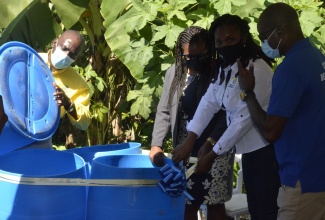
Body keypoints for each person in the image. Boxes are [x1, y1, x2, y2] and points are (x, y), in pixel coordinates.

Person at [172, 14, 281, 220]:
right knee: (256, 209)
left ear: (244, 38)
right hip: (248, 153)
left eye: (230, 40)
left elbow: (242, 120)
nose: (224, 46)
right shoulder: (228, 69)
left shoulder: (257, 69)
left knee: (266, 212)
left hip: (265, 154)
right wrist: (190, 139)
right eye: (219, 42)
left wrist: (213, 153)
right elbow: (209, 103)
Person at [238, 3, 325, 220]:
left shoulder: (291, 68)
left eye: (264, 36)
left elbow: (270, 131)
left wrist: (248, 93)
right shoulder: (316, 57)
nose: (263, 44)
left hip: (302, 179)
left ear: (281, 31)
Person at [149, 26, 234, 220]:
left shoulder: (220, 72)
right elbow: (164, 110)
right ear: (181, 54)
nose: (194, 60)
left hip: (216, 145)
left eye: (200, 55)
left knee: (214, 201)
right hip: (184, 147)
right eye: (189, 56)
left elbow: (226, 115)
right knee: (186, 202)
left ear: (208, 51)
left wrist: (211, 147)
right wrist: (156, 145)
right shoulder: (174, 72)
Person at [23, 30, 92, 149]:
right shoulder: (30, 58)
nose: (66, 56)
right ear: (55, 43)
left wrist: (68, 103)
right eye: (65, 49)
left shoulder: (78, 84)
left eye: (72, 55)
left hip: (40, 136)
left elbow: (84, 123)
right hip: (9, 122)